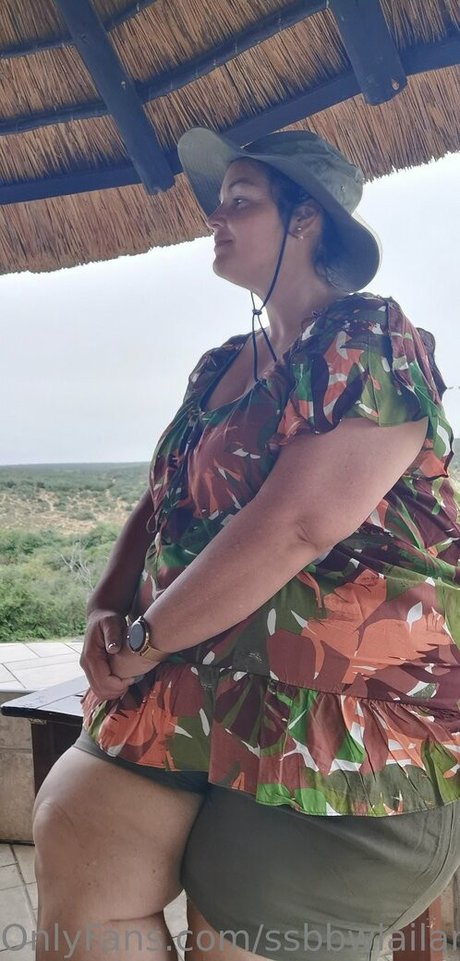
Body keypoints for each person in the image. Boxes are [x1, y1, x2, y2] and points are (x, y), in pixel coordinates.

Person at [32, 127, 460, 961]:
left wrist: (146, 638)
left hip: (344, 705)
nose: (215, 218)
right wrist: (104, 607)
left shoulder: (369, 335)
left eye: (240, 201)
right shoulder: (219, 366)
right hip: (192, 684)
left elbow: (300, 523)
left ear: (305, 220)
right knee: (79, 844)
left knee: (245, 924)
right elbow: (159, 503)